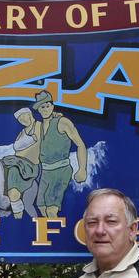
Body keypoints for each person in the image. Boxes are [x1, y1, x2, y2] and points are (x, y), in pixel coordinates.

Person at [32, 89, 88, 218]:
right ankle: (52, 235)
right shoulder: (39, 126)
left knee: (52, 210)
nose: (45, 109)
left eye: (47, 106)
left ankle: (60, 236)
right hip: (45, 172)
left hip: (60, 170)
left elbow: (80, 144)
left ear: (52, 106)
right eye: (42, 106)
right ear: (39, 109)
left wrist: (82, 169)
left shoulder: (63, 122)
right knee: (41, 206)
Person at [1, 107, 40, 219]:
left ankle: (16, 210)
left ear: (30, 114)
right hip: (19, 163)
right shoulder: (23, 132)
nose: (22, 119)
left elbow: (35, 144)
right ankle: (11, 207)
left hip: (29, 166)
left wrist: (23, 149)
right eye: (20, 118)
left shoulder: (39, 126)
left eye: (23, 116)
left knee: (12, 171)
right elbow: (16, 147)